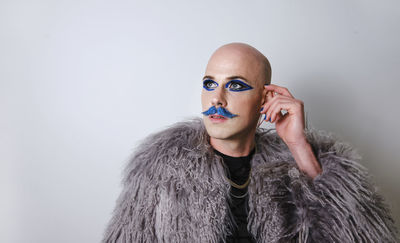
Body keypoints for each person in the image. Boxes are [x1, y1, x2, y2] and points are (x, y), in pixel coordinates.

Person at [102, 43, 398, 242]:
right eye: (209, 84)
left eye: (235, 85)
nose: (216, 99)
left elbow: (366, 235)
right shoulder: (161, 168)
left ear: (265, 100)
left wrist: (297, 145)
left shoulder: (293, 167)